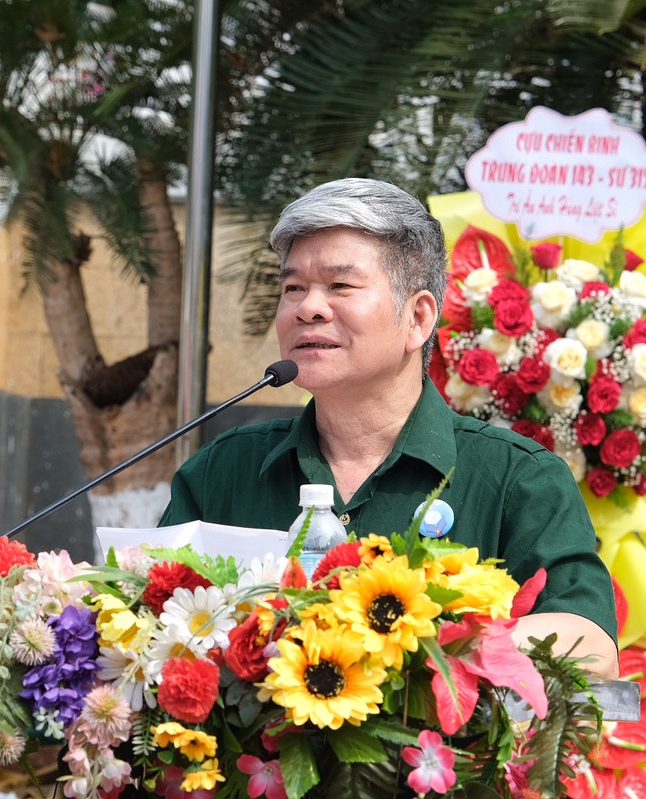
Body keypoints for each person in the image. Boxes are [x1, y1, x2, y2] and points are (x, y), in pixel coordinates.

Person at [159, 177, 619, 679]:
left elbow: (591, 647)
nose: (307, 308)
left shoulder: (517, 478)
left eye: (340, 286)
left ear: (418, 319)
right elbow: (150, 618)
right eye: (293, 288)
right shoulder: (224, 469)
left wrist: (414, 643)